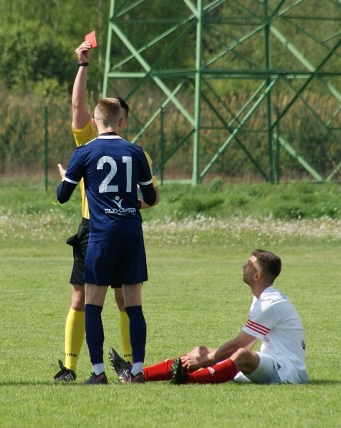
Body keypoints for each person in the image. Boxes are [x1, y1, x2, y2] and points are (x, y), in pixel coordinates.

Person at [53, 40, 160, 383]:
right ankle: (74, 366)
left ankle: (108, 369)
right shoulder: (137, 152)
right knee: (92, 299)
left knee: (102, 303)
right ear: (121, 119)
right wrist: (82, 66)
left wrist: (70, 181)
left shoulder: (86, 150)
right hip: (124, 230)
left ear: (102, 120)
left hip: (99, 231)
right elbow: (150, 197)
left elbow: (62, 195)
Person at [108, 249, 309, 385]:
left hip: (287, 372)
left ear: (257, 276)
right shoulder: (261, 298)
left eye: (249, 264)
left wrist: (208, 361)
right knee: (198, 351)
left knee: (239, 355)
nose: (243, 266)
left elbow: (239, 346)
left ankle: (188, 379)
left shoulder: (269, 304)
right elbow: (245, 345)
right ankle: (137, 376)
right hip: (272, 363)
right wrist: (205, 356)